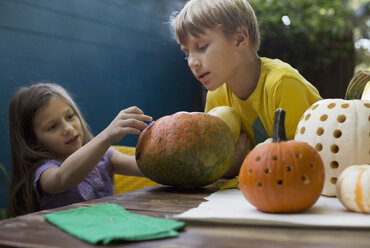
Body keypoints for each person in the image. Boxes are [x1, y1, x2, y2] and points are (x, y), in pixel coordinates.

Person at [170, 0, 322, 177]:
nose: (192, 62)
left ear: (239, 39)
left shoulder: (283, 84)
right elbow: (211, 162)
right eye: (186, 54)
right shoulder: (216, 96)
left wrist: (237, 165)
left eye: (201, 47)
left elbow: (302, 164)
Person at [8, 82, 152, 216]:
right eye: (52, 127)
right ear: (33, 140)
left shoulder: (105, 156)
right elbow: (62, 178)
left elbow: (148, 167)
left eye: (70, 116)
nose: (68, 129)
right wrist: (106, 136)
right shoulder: (44, 171)